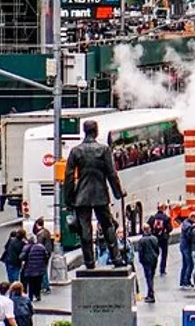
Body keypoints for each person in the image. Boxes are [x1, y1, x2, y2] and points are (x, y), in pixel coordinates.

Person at [63, 119, 126, 269]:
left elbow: (69, 176)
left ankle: (89, 262)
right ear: (96, 131)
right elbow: (112, 173)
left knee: (85, 229)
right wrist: (118, 192)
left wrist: (69, 198)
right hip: (100, 194)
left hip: (82, 195)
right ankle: (116, 258)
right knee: (107, 225)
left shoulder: (76, 151)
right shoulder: (103, 150)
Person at [136, 223, 160, 303]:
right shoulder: (154, 238)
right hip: (154, 259)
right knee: (151, 277)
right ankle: (150, 293)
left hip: (146, 261)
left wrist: (141, 260)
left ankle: (151, 294)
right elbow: (157, 250)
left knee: (148, 278)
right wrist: (156, 256)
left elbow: (141, 252)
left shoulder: (142, 240)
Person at [21, 235, 49, 302]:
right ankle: (37, 295)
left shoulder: (26, 247)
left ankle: (30, 297)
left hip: (30, 269)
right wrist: (44, 264)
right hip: (40, 268)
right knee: (38, 283)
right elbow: (46, 256)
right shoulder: (41, 247)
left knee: (31, 284)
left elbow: (22, 257)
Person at [149, 203, 172, 274]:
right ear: (164, 209)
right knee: (164, 254)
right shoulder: (166, 218)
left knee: (154, 254)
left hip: (154, 238)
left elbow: (148, 226)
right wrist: (166, 233)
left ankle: (153, 269)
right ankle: (162, 270)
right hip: (163, 238)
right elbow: (170, 228)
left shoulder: (153, 217)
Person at [33, 218, 53, 294]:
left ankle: (45, 286)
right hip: (48, 252)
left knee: (43, 271)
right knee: (44, 270)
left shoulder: (40, 234)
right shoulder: (46, 231)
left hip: (43, 254)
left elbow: (39, 245)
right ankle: (45, 286)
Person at [179, 212, 195, 289]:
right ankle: (186, 281)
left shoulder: (185, 223)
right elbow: (189, 236)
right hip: (187, 247)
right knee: (190, 264)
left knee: (185, 264)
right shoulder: (189, 226)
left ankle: (183, 281)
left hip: (183, 246)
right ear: (193, 217)